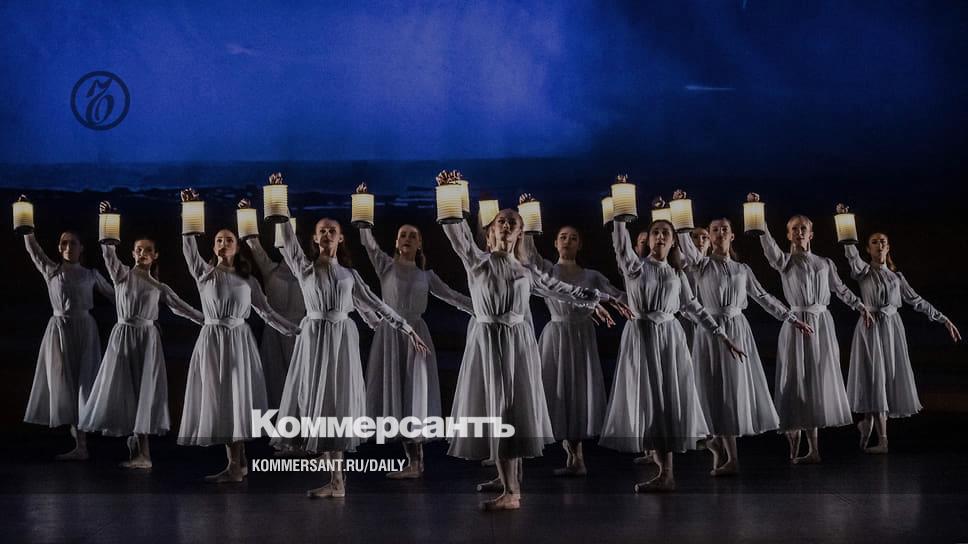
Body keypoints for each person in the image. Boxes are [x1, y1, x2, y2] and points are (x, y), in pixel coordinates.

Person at [443, 209, 621, 510]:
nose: (506, 225)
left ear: (519, 233)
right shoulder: (477, 261)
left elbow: (560, 289)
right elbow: (457, 238)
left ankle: (512, 492)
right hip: (487, 340)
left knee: (509, 411)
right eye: (501, 221)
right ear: (491, 231)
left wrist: (601, 298)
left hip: (516, 342)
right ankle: (506, 481)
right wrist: (449, 205)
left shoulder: (525, 271)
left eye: (512, 222)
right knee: (495, 410)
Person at [272, 218, 429, 498]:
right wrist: (280, 209)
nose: (327, 234)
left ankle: (337, 482)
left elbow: (376, 304)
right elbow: (288, 240)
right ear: (315, 238)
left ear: (341, 238)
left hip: (341, 340)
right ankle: (334, 477)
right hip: (314, 339)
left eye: (332, 231)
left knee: (336, 404)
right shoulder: (304, 268)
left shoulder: (349, 275)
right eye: (322, 231)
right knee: (316, 402)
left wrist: (406, 329)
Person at [678, 218, 813, 475]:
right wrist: (681, 219)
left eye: (724, 230)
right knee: (713, 387)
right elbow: (686, 243)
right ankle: (720, 446)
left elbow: (762, 296)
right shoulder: (701, 265)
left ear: (732, 236)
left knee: (732, 388)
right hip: (711, 331)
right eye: (714, 230)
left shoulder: (742, 270)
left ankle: (729, 455)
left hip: (738, 329)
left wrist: (791, 317)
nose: (719, 233)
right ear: (710, 236)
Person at [178, 223, 300, 483]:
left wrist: (294, 331)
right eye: (219, 240)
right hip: (213, 341)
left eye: (229, 240)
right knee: (221, 397)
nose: (223, 244)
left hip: (239, 342)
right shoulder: (204, 273)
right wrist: (188, 222)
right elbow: (189, 251)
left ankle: (236, 464)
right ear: (213, 247)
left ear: (237, 247)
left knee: (236, 397)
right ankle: (238, 462)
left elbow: (266, 312)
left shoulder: (249, 280)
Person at [80, 232, 203, 469]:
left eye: (148, 250)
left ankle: (144, 453)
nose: (143, 253)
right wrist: (106, 231)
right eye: (139, 249)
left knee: (144, 389)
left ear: (155, 256)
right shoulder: (122, 275)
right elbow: (109, 255)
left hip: (147, 340)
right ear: (133, 253)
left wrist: (208, 321)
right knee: (125, 387)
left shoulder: (158, 286)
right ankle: (136, 443)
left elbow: (182, 308)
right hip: (123, 337)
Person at [358, 224, 473, 478]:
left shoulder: (426, 276)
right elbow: (369, 244)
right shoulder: (386, 266)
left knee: (414, 391)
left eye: (413, 236)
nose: (407, 239)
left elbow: (452, 296)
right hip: (391, 334)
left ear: (420, 244)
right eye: (403, 235)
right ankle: (413, 462)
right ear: (396, 242)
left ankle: (416, 462)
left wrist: (479, 309)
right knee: (397, 390)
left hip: (417, 334)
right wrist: (364, 222)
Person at [758, 215, 873, 464]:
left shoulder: (824, 263)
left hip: (821, 325)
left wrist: (860, 306)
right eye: (794, 229)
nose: (799, 232)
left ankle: (813, 449)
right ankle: (793, 430)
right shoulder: (785, 261)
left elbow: (840, 289)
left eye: (803, 229)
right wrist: (760, 219)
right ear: (788, 235)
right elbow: (769, 249)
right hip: (797, 323)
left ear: (811, 234)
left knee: (816, 379)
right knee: (795, 378)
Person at [521, 226, 627, 476]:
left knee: (579, 391)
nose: (567, 241)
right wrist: (528, 229)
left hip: (581, 336)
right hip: (556, 333)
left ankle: (577, 457)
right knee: (557, 390)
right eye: (563, 237)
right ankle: (571, 455)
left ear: (580, 245)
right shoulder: (548, 271)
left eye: (573, 238)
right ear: (555, 243)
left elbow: (617, 295)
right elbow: (530, 257)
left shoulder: (592, 276)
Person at [844, 233, 961, 454]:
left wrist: (944, 319)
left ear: (888, 247)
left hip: (891, 328)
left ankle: (868, 421)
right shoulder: (864, 271)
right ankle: (882, 439)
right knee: (874, 375)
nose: (880, 245)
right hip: (871, 326)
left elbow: (917, 300)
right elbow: (852, 257)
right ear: (868, 249)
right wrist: (847, 236)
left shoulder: (896, 277)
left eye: (883, 241)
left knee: (884, 376)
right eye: (875, 242)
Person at [22, 228, 114, 460]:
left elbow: (117, 296)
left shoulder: (91, 275)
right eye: (64, 243)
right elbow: (34, 251)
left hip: (85, 329)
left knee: (84, 382)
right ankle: (79, 444)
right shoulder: (52, 271)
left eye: (73, 243)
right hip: (59, 330)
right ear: (59, 247)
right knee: (65, 383)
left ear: (81, 248)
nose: (68, 247)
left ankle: (83, 443)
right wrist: (27, 230)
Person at [247, 232, 306, 408]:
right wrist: (247, 226)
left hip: (300, 332)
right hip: (274, 331)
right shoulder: (270, 269)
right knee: (274, 378)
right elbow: (255, 248)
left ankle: (301, 416)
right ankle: (276, 417)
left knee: (300, 378)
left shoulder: (307, 272)